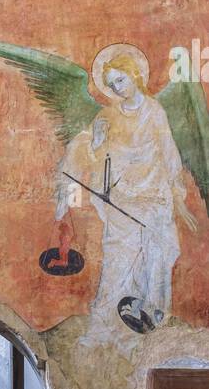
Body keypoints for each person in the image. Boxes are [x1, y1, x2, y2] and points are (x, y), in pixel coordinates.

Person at [54, 45, 196, 341]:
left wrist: (178, 196)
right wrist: (96, 141)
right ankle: (107, 328)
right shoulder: (107, 115)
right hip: (120, 205)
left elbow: (170, 155)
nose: (117, 88)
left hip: (154, 201)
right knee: (118, 264)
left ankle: (148, 325)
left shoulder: (155, 112)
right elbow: (91, 157)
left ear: (134, 75)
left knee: (154, 262)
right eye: (112, 84)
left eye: (121, 80)